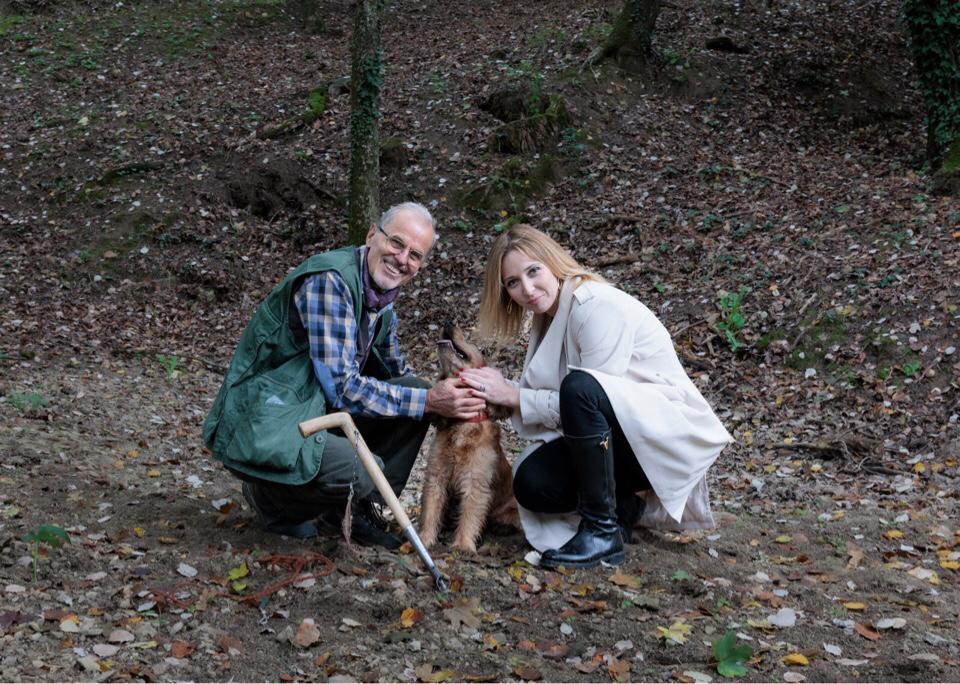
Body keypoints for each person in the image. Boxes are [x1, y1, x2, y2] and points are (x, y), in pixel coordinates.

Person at [203, 202, 485, 548]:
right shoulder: (331, 283)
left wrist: (454, 398)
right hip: (267, 418)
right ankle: (272, 500)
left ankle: (347, 509)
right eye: (397, 243)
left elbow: (400, 375)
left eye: (415, 255)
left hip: (313, 409)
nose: (402, 259)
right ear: (371, 235)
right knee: (365, 465)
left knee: (415, 393)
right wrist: (429, 400)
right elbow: (343, 388)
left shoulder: (381, 299)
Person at [459, 225, 732, 568]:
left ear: (552, 262)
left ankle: (602, 533)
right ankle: (623, 508)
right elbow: (575, 411)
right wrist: (499, 394)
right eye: (513, 282)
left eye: (533, 271)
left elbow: (588, 399)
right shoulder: (550, 314)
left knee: (582, 386)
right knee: (531, 482)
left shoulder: (594, 305)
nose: (527, 289)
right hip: (621, 438)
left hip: (663, 436)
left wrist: (515, 396)